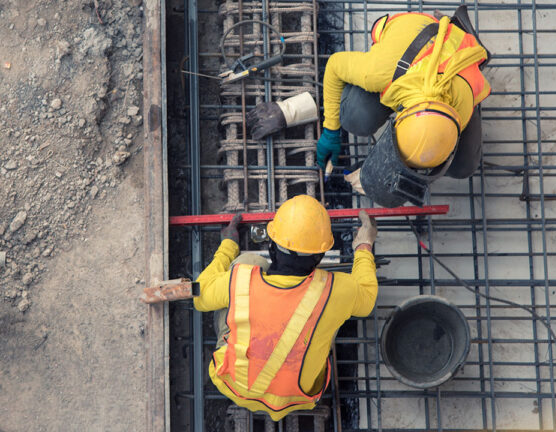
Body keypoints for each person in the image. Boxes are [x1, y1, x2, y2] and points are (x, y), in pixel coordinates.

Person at [193, 194, 378, 420]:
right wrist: (364, 245)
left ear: (272, 247)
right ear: (319, 257)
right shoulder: (336, 290)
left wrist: (228, 245)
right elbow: (368, 298)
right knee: (330, 311)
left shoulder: (241, 279)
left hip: (234, 385)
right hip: (299, 398)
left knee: (248, 263)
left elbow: (199, 296)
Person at [316, 7, 490, 204]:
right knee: (354, 118)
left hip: (458, 65)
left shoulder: (464, 105)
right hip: (411, 38)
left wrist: (388, 175)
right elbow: (334, 66)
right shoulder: (379, 72)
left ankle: (462, 34)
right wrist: (331, 129)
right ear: (399, 118)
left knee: (463, 166)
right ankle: (450, 25)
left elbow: (428, 148)